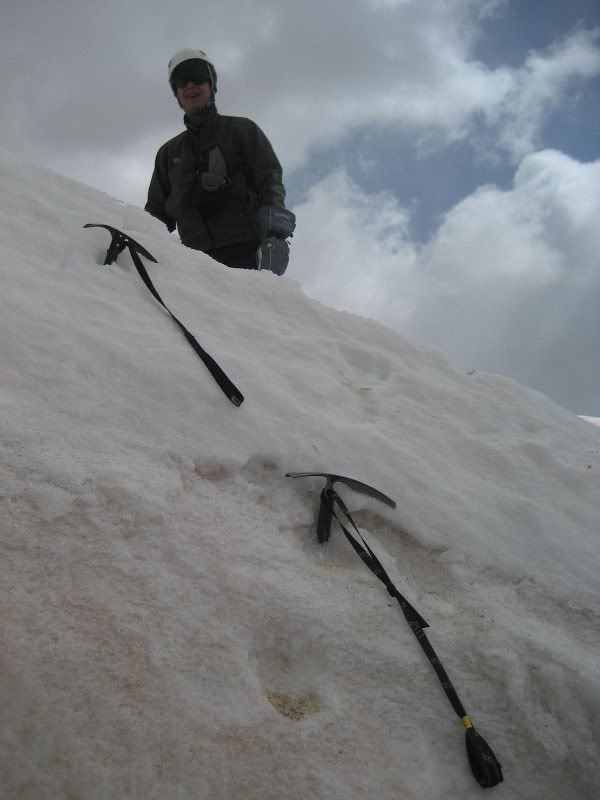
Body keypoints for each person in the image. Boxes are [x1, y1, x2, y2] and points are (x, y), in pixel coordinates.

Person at [145, 49, 295, 275]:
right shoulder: (168, 154)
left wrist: (274, 236)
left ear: (211, 84)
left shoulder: (242, 131)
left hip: (247, 253)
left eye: (196, 76)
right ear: (176, 94)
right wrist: (141, 244)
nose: (189, 86)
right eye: (181, 81)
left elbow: (269, 181)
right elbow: (155, 216)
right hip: (193, 263)